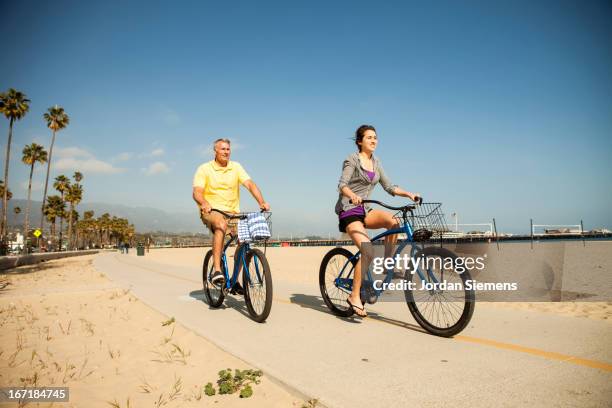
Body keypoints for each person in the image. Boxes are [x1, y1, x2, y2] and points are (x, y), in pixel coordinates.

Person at [335, 124, 421, 317]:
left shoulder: (377, 162)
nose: (374, 140)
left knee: (394, 222)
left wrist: (409, 194)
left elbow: (389, 187)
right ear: (360, 141)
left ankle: (387, 263)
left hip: (365, 209)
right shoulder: (352, 159)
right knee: (367, 250)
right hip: (349, 210)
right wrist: (352, 196)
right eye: (369, 137)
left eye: (375, 137)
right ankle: (354, 296)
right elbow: (342, 185)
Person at [192, 138, 270, 290]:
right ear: (215, 151)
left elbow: (250, 184)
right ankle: (216, 270)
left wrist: (261, 201)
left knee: (244, 239)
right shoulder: (204, 169)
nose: (226, 152)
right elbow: (197, 192)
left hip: (233, 212)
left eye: (228, 149)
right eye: (222, 149)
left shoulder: (236, 167)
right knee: (220, 224)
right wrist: (204, 203)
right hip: (212, 210)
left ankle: (234, 280)